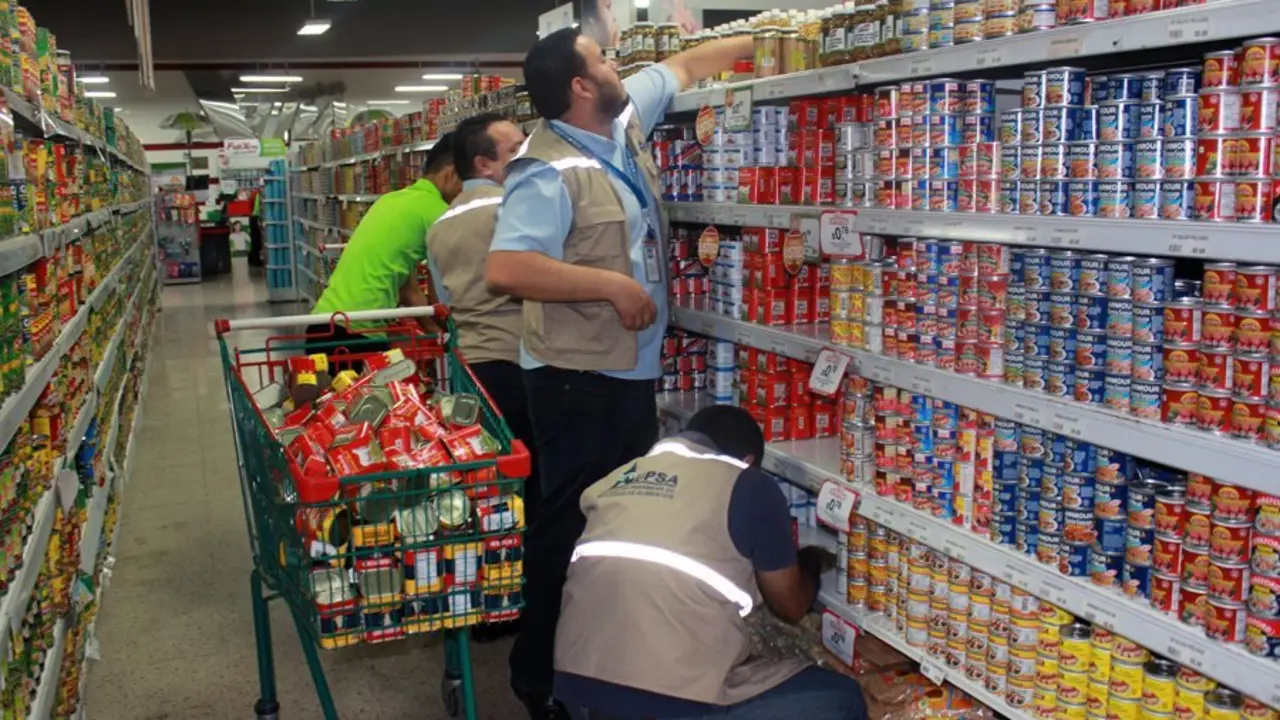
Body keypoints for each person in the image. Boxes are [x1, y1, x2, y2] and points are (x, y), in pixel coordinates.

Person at [484, 27, 755, 719]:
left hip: (627, 374)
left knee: (617, 526)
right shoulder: (546, 169)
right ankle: (538, 674)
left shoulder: (621, 117)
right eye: (602, 60)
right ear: (580, 86)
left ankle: (605, 660)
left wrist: (780, 37)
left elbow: (688, 63)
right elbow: (508, 268)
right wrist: (611, 287)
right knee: (570, 526)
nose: (616, 66)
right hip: (576, 379)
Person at [556, 405, 869, 720]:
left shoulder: (618, 478)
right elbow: (791, 604)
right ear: (747, 461)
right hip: (664, 703)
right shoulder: (748, 484)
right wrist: (811, 561)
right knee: (843, 698)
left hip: (578, 689)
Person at [424, 113, 540, 641]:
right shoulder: (513, 210)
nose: (526, 156)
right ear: (484, 162)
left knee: (487, 491)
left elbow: (444, 304)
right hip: (521, 362)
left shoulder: (440, 226)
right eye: (515, 149)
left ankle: (484, 603)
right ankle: (527, 599)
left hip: (470, 370)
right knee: (532, 488)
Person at [307, 133, 460, 353]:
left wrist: (435, 332)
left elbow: (408, 290)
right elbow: (451, 281)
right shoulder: (437, 210)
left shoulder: (390, 200)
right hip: (357, 331)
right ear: (451, 174)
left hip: (323, 323)